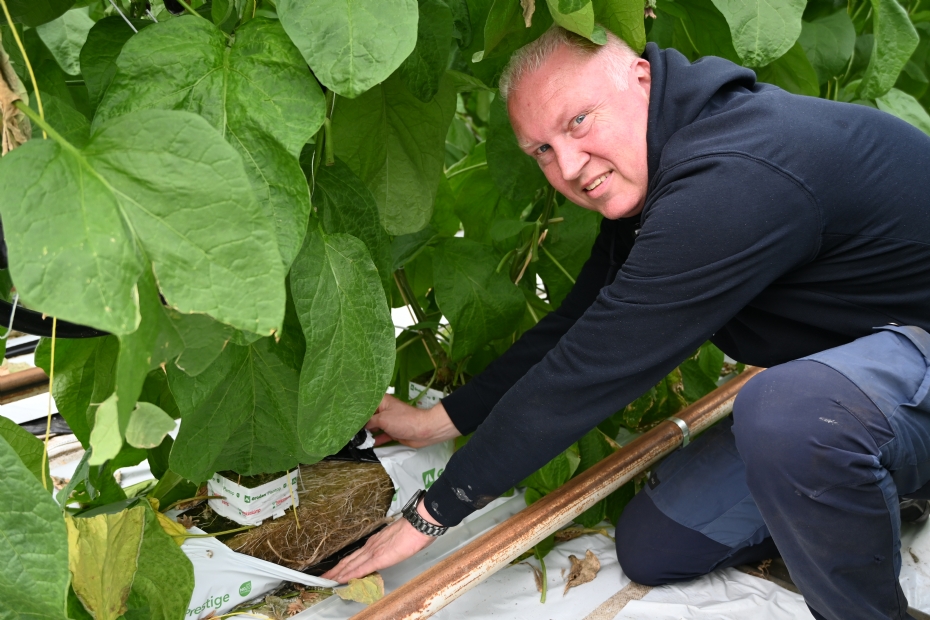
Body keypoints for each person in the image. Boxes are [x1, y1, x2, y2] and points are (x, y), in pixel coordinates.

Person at [322, 25, 930, 620]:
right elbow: (581, 323)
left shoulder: (735, 174)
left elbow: (592, 369)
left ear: (640, 77)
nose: (567, 166)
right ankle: (877, 486)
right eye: (541, 150)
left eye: (577, 121)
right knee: (657, 545)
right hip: (871, 366)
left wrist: (435, 510)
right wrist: (438, 421)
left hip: (906, 355)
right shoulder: (665, 157)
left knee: (788, 413)